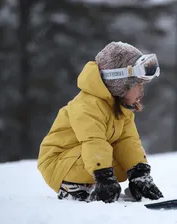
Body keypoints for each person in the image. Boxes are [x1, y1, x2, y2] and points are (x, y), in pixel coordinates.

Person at [37, 41, 164, 203]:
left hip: (82, 157)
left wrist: (139, 174)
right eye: (137, 84)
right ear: (119, 83)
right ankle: (71, 185)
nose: (141, 90)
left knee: (124, 164)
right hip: (58, 163)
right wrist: (105, 178)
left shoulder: (121, 109)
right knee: (106, 155)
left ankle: (89, 180)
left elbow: (127, 142)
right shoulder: (86, 105)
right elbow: (93, 141)